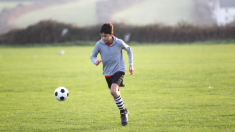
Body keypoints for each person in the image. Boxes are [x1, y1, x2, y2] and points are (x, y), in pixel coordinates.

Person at [90, 22, 134, 126]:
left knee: (113, 91)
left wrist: (130, 64)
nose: (103, 38)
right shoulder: (99, 44)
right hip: (107, 73)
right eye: (102, 36)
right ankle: (124, 110)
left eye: (105, 36)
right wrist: (95, 61)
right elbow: (92, 56)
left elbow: (129, 49)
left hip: (119, 70)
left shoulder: (119, 42)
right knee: (115, 93)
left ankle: (123, 113)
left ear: (111, 34)